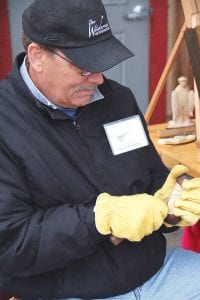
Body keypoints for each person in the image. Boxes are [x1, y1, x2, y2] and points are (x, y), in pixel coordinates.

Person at [1, 1, 200, 299]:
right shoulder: (6, 122)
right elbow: (10, 244)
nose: (98, 79)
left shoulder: (117, 99)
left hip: (155, 271)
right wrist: (95, 219)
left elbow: (150, 176)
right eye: (84, 67)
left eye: (101, 64)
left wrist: (171, 201)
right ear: (37, 56)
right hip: (63, 289)